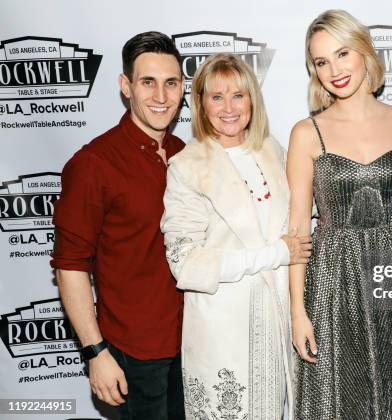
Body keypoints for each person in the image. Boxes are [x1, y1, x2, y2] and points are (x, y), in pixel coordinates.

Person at [287, 9, 392, 419]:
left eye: (342, 54)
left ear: (365, 53)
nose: (334, 69)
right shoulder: (306, 132)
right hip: (334, 284)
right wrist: (298, 312)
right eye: (321, 62)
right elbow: (297, 230)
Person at [160, 53, 311, 420]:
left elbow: (300, 213)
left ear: (252, 101)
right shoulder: (187, 167)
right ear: (201, 104)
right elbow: (185, 263)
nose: (229, 108)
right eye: (216, 97)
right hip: (223, 330)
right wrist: (274, 254)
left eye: (238, 95)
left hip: (278, 324)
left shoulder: (271, 149)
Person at [51, 31, 186, 419]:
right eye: (148, 82)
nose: (161, 96)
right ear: (126, 86)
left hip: (192, 344)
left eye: (171, 83)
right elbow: (70, 265)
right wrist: (96, 352)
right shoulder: (94, 163)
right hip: (134, 354)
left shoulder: (185, 156)